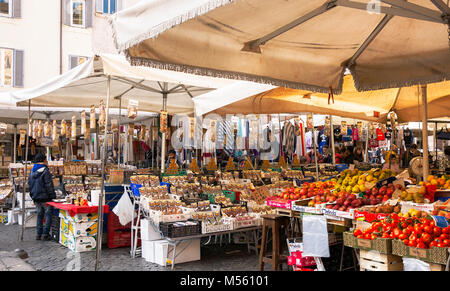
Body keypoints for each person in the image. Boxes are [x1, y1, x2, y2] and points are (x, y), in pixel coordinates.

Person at [28, 153, 56, 240]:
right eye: (45, 159)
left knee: (40, 215)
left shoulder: (32, 171)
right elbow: (48, 185)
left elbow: (30, 185)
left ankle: (38, 234)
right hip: (45, 197)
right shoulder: (45, 171)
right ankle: (45, 234)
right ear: (43, 161)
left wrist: (32, 196)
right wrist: (53, 196)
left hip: (36, 197)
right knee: (48, 215)